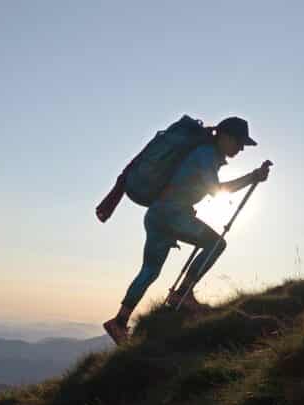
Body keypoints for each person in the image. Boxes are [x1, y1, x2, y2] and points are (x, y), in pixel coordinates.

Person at [103, 116, 271, 346]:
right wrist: (253, 177)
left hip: (157, 213)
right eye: (239, 142)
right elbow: (217, 190)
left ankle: (119, 322)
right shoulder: (206, 155)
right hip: (171, 214)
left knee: (150, 270)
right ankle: (182, 294)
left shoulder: (204, 153)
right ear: (225, 136)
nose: (241, 148)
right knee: (216, 244)